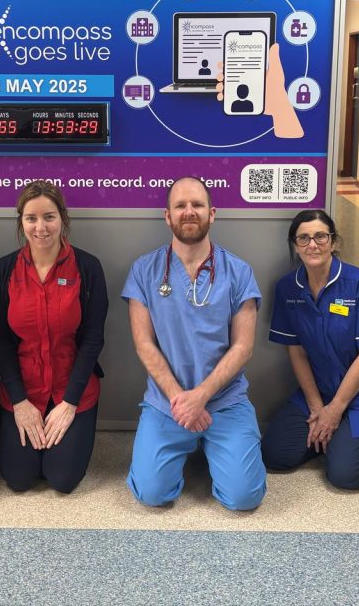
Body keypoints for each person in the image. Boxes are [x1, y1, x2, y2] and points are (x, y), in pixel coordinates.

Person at [122, 177, 266, 511]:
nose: (190, 212)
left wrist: (201, 397)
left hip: (224, 401)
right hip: (166, 402)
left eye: (197, 205)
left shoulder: (239, 272)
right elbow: (144, 344)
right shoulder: (144, 271)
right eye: (181, 206)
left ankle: (213, 447)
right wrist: (180, 400)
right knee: (152, 495)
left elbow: (243, 347)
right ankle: (190, 443)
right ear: (167, 216)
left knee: (244, 499)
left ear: (212, 214)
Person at [261, 210, 359, 489]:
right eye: (303, 238)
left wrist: (335, 410)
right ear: (294, 245)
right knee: (275, 455)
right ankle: (338, 435)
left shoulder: (357, 283)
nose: (312, 245)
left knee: (344, 476)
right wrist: (319, 407)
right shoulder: (287, 289)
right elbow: (296, 351)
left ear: (333, 241)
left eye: (320, 236)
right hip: (320, 388)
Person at [0, 181, 107, 494]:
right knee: (18, 479)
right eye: (31, 218)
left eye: (49, 217)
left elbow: (93, 340)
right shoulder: (4, 270)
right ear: (21, 222)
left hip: (72, 387)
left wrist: (69, 403)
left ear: (63, 219)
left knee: (62, 479)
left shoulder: (88, 267)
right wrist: (20, 403)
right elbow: (1, 342)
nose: (40, 227)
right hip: (23, 388)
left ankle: (65, 424)